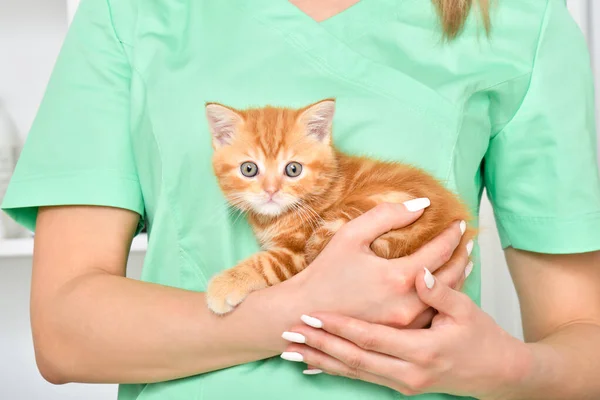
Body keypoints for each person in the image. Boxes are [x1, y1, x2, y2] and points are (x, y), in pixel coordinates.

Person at [3, 0, 600, 399]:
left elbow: (584, 337)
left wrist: (502, 365)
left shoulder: (521, 17)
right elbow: (63, 331)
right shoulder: (129, 11)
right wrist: (293, 312)